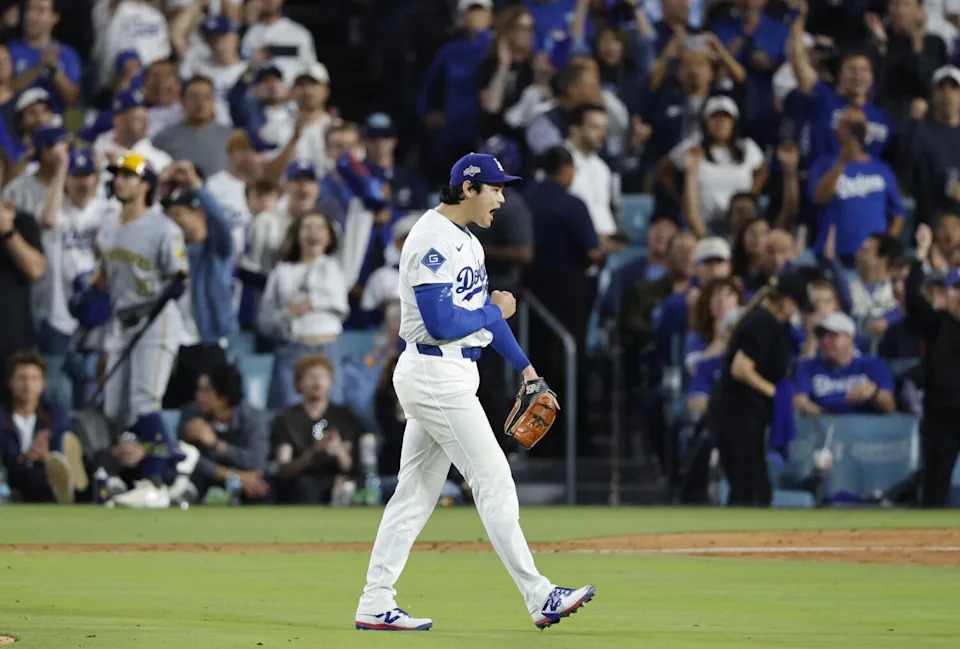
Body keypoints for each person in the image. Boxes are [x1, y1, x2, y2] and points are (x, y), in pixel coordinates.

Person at [355, 153, 593, 631]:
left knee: (415, 495)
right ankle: (540, 594)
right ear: (468, 189)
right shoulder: (431, 239)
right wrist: (495, 313)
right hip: (433, 372)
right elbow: (444, 324)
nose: (502, 199)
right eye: (495, 189)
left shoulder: (467, 240)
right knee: (494, 480)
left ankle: (375, 603)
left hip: (451, 374)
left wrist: (527, 369)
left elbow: (485, 312)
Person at [87, 153, 189, 508]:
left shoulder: (164, 227)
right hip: (122, 321)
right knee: (116, 408)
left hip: (156, 321)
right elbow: (104, 274)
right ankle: (175, 460)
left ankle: (158, 478)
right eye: (118, 175)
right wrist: (87, 294)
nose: (121, 181)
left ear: (146, 184)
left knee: (145, 399)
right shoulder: (109, 225)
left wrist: (169, 291)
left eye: (129, 176)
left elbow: (180, 279)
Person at [707, 270, 810, 507]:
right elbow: (740, 368)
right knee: (749, 489)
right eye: (796, 306)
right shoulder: (763, 323)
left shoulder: (764, 321)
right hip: (738, 414)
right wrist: (775, 394)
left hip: (743, 415)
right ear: (786, 302)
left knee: (754, 487)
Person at [256, 211, 349, 408]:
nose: (313, 233)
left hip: (327, 347)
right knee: (287, 410)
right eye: (307, 227)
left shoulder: (337, 266)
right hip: (293, 348)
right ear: (297, 234)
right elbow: (264, 319)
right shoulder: (282, 271)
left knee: (331, 412)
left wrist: (312, 303)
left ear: (329, 236)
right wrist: (288, 315)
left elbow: (341, 304)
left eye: (320, 227)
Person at [903, 224, 960, 506]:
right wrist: (921, 255)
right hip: (941, 416)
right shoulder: (937, 324)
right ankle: (927, 544)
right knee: (935, 485)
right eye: (957, 290)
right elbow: (913, 297)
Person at [659, 95, 766, 237]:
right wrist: (680, 198)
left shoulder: (748, 148)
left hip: (740, 226)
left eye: (725, 118)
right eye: (714, 118)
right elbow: (664, 169)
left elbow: (762, 170)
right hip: (701, 224)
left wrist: (751, 195)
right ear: (705, 122)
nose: (720, 122)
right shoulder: (693, 147)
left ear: (734, 122)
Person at [808, 107, 905, 261]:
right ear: (838, 130)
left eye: (858, 125)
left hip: (872, 259)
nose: (853, 130)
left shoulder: (882, 169)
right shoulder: (823, 165)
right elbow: (819, 198)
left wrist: (886, 246)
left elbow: (898, 214)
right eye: (848, 124)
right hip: (834, 256)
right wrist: (842, 161)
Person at [269, 352, 362, 504]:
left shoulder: (344, 416)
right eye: (311, 377)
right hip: (303, 483)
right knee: (306, 486)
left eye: (323, 377)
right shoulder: (287, 418)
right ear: (299, 383)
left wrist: (338, 450)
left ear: (331, 382)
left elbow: (352, 466)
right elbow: (284, 468)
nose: (317, 382)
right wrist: (314, 454)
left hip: (338, 480)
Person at [172, 363, 269, 504]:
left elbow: (257, 461)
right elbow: (187, 458)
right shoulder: (191, 414)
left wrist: (215, 443)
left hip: (245, 480)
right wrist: (234, 476)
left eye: (205, 391)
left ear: (223, 399)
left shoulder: (252, 418)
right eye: (198, 389)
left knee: (262, 485)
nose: (198, 395)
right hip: (208, 477)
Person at [0, 349, 86, 503]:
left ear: (42, 384)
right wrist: (25, 458)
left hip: (43, 472)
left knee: (45, 470)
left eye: (34, 379)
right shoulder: (2, 416)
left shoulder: (57, 417)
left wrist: (46, 456)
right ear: (11, 383)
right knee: (28, 473)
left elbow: (61, 449)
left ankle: (70, 485)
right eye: (22, 379)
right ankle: (64, 492)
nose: (28, 385)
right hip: (11, 475)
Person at [793, 311, 896, 415]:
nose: (825, 341)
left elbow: (890, 407)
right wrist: (844, 400)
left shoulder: (873, 364)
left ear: (850, 338)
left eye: (832, 336)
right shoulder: (808, 366)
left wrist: (875, 393)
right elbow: (799, 401)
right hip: (823, 427)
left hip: (866, 426)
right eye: (821, 336)